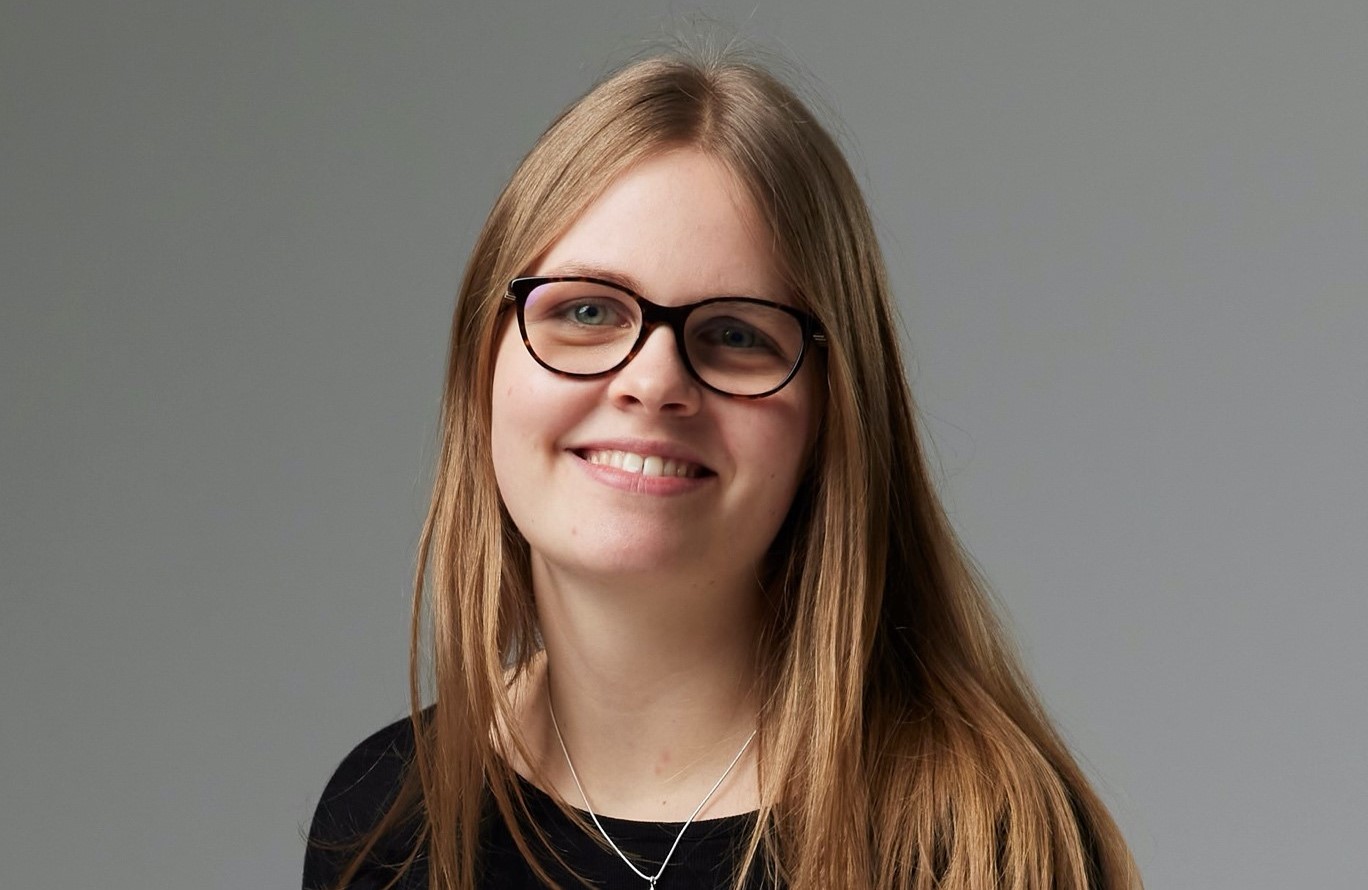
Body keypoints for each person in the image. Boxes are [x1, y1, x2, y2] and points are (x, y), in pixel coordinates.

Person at [303, 48, 1142, 890]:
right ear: (479, 363)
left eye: (737, 334)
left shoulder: (982, 850)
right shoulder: (384, 824)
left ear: (835, 412)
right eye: (586, 310)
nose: (654, 382)